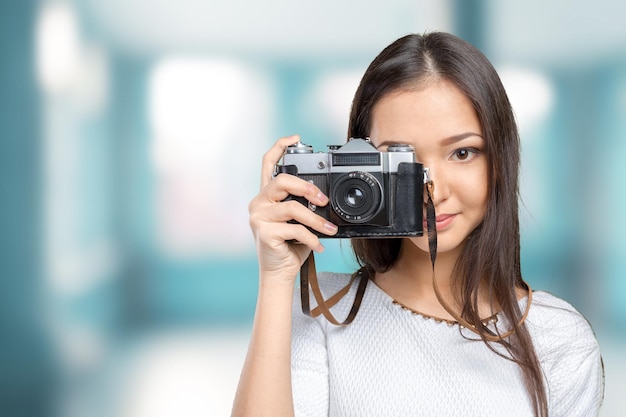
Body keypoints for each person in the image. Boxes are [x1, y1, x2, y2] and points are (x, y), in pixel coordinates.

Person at [232, 32, 604, 417]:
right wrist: (275, 280)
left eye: (462, 153)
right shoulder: (321, 313)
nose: (434, 190)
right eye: (401, 157)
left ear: (500, 160)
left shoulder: (558, 337)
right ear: (362, 167)